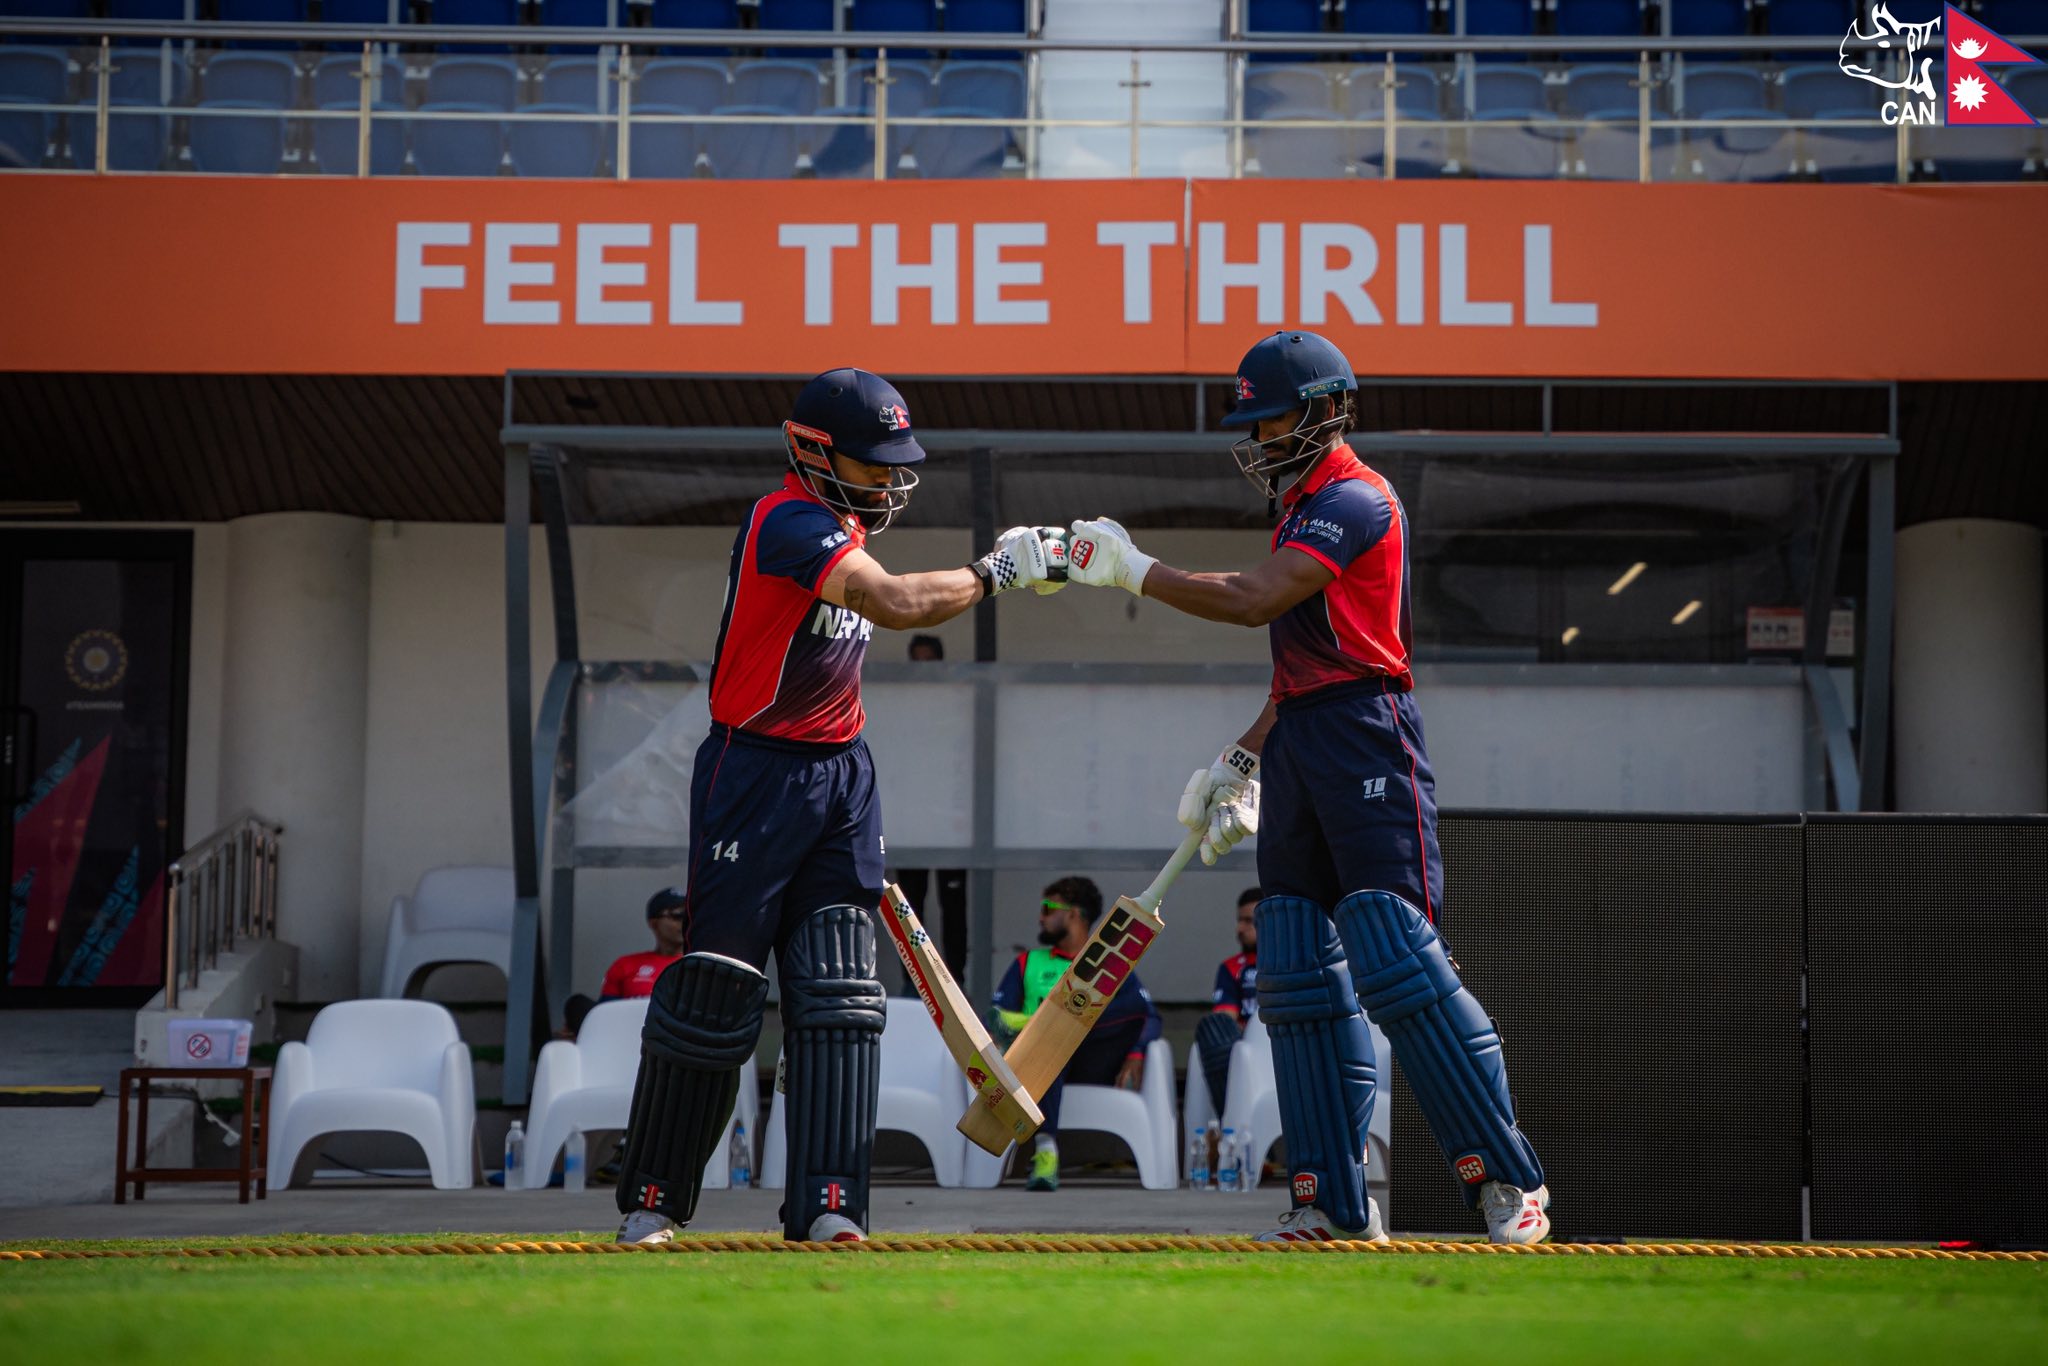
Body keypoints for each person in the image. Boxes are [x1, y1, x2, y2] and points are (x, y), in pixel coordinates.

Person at [1063, 330, 1551, 1245]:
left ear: (1325, 412)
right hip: (1302, 735)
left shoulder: (1356, 500)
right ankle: (1330, 1200)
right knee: (1292, 968)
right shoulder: (1297, 510)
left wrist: (1134, 570)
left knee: (1395, 959)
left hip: (1369, 736)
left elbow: (1256, 599)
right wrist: (1243, 759)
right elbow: (1299, 672)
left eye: (1270, 418)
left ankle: (1507, 1182)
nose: (1257, 437)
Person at [611, 368, 1065, 1245]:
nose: (889, 479)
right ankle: (656, 1202)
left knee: (840, 998)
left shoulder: (845, 525)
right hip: (753, 772)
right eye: (872, 463)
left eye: (897, 464)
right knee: (716, 993)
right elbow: (894, 603)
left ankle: (830, 1207)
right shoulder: (787, 521)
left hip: (842, 776)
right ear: (815, 453)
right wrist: (996, 571)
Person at [990, 876, 1162, 1192]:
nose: (1040, 917)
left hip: (1093, 1060)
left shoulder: (1108, 965)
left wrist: (1137, 1052)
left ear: (1073, 914)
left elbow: (1148, 1017)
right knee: (1053, 1040)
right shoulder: (1028, 962)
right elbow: (996, 1019)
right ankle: (1046, 1153)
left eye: (1047, 908)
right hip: (1038, 1062)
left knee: (1104, 1015)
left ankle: (1038, 1022)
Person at [560, 887, 687, 1038]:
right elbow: (604, 1014)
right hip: (625, 1038)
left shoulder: (699, 964)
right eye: (678, 915)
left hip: (678, 1039)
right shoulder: (625, 965)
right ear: (654, 923)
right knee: (577, 1004)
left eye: (689, 915)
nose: (685, 922)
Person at [1193, 887, 1261, 1115]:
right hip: (1244, 1052)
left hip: (1284, 1045)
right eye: (1239, 920)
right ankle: (1233, 1116)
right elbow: (1224, 1020)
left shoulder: (1293, 963)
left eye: (1248, 921)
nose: (1239, 928)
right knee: (1212, 1027)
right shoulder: (1231, 968)